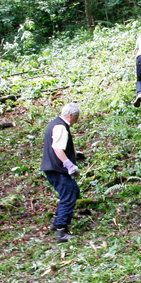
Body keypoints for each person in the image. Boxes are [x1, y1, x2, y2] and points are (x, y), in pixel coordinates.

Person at [40, 102, 83, 243]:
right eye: (77, 118)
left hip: (53, 167)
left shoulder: (54, 124)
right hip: (58, 169)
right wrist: (69, 164)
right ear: (71, 115)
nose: (76, 121)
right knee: (69, 196)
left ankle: (56, 221)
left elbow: (58, 147)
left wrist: (74, 155)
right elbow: (58, 149)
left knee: (73, 191)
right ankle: (62, 231)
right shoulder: (61, 127)